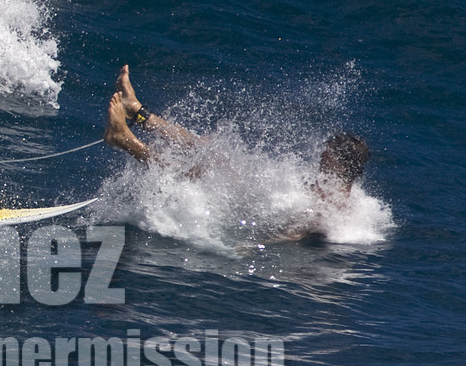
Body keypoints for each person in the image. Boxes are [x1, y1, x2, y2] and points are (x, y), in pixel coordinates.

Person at [103, 65, 371, 238]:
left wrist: (248, 249)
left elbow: (294, 233)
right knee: (207, 149)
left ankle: (124, 140)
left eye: (329, 153)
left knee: (198, 171)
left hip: (242, 211)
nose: (322, 154)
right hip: (246, 193)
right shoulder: (332, 188)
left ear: (342, 165)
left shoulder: (334, 206)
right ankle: (136, 111)